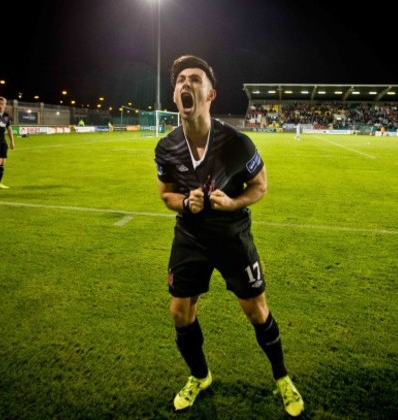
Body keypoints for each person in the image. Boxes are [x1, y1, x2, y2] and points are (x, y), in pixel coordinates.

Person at [154, 55, 304, 417]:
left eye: (195, 79)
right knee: (180, 313)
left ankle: (282, 378)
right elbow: (165, 194)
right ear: (175, 95)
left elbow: (261, 186)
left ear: (210, 94)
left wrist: (232, 202)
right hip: (190, 237)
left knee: (256, 311)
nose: (186, 84)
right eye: (180, 81)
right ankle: (200, 376)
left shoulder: (237, 143)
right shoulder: (166, 148)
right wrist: (184, 203)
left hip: (232, 235)